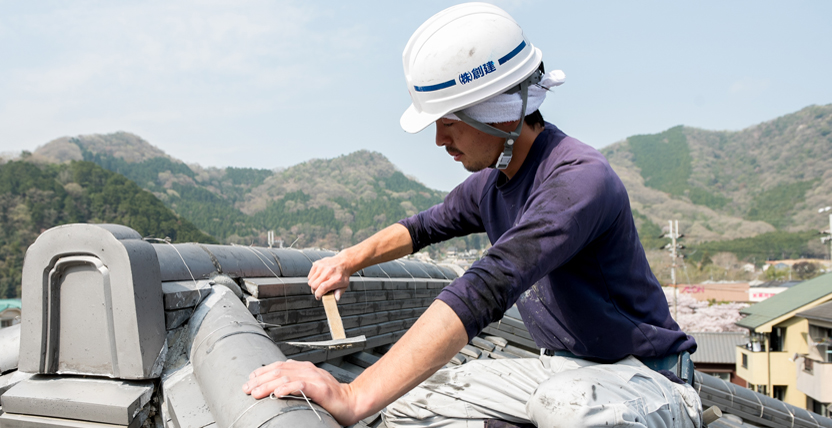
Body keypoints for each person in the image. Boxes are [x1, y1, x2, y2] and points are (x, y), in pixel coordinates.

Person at [242, 3, 702, 427]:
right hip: (560, 367)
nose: (441, 140)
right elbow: (421, 227)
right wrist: (347, 261)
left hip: (647, 377)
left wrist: (354, 393)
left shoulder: (578, 180)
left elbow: (488, 285)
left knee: (569, 408)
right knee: (409, 404)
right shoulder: (491, 185)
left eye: (448, 121)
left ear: (497, 112)